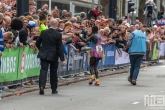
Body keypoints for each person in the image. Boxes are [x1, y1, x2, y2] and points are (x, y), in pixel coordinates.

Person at [36, 19, 66, 95]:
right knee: (53, 72)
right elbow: (59, 48)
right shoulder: (58, 34)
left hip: (44, 54)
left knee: (43, 70)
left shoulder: (43, 32)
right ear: (57, 25)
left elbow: (37, 43)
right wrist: (63, 59)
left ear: (49, 23)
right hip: (54, 55)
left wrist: (41, 49)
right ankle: (53, 89)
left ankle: (42, 87)